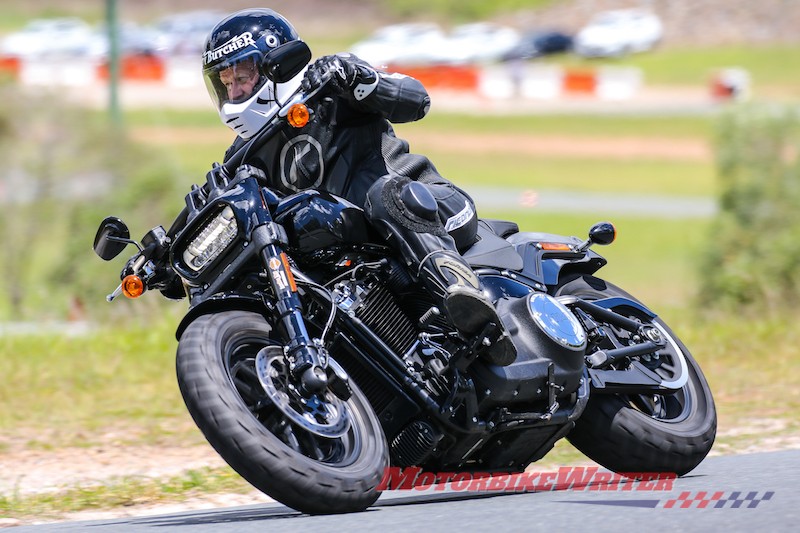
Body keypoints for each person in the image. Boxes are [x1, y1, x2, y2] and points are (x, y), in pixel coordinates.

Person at [201, 8, 516, 366]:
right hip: (366, 260)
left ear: (277, 65)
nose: (234, 90)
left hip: (432, 208)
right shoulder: (243, 158)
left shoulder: (329, 88)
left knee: (384, 196)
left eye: (242, 76)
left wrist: (358, 78)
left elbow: (417, 100)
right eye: (225, 83)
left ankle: (465, 297)